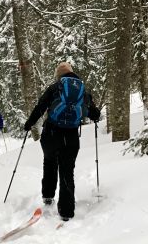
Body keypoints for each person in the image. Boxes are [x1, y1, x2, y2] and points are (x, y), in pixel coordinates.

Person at [24, 62, 100, 221]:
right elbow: (95, 113)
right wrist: (93, 115)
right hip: (71, 137)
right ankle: (66, 212)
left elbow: (40, 107)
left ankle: (48, 196)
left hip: (51, 134)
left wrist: (29, 123)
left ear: (59, 75)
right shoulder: (82, 90)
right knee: (67, 171)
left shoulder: (55, 87)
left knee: (50, 162)